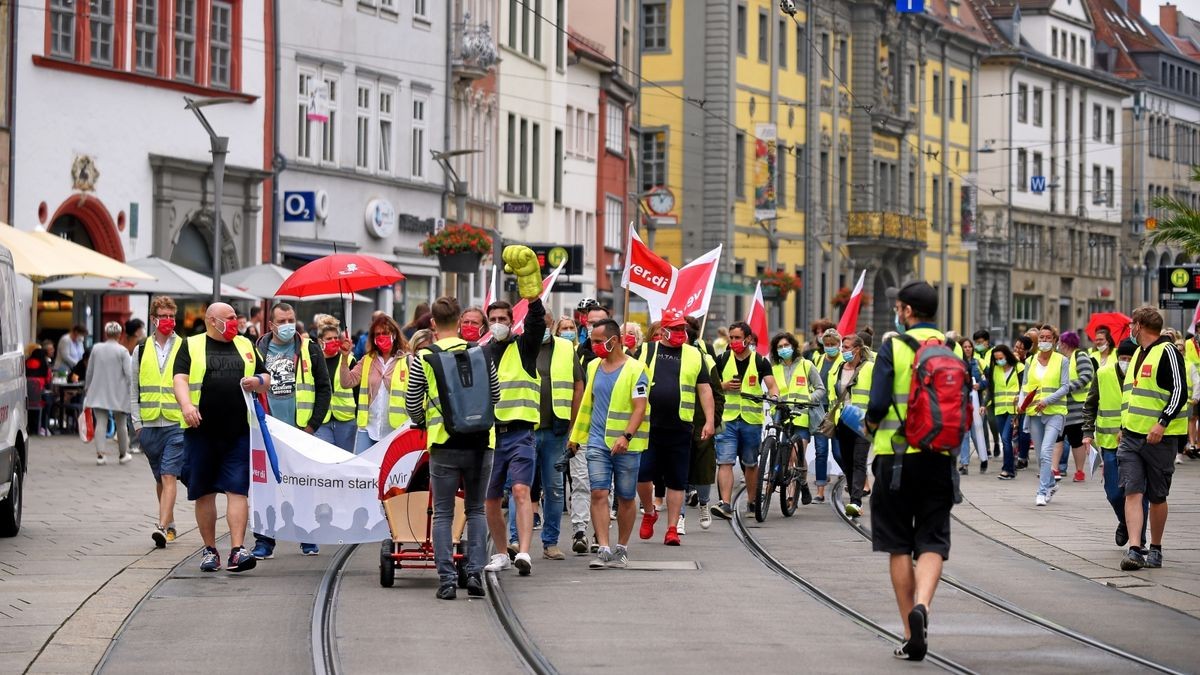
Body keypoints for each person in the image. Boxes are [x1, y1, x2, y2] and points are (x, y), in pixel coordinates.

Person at [863, 281, 963, 662]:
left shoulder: (894, 346)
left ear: (906, 311)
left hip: (895, 458)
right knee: (934, 540)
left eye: (898, 307)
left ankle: (910, 631)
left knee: (899, 544)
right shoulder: (951, 348)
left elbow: (877, 402)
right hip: (939, 457)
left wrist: (868, 427)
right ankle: (924, 604)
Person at [405, 296, 501, 599]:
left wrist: (423, 420)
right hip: (481, 442)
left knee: (443, 513)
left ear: (433, 323)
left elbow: (411, 403)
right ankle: (474, 574)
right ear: (460, 321)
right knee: (475, 510)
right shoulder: (482, 354)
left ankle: (446, 580)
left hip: (444, 443)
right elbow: (495, 395)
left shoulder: (424, 358)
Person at [172, 302, 270, 573]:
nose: (235, 322)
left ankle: (238, 550)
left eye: (236, 318)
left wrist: (258, 382)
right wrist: (187, 406)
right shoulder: (191, 345)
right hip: (201, 430)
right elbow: (179, 379)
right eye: (229, 318)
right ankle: (210, 549)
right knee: (204, 491)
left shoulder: (246, 345)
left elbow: (266, 376)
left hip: (238, 430)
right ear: (212, 321)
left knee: (238, 489)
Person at [480, 267, 548, 576]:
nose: (497, 324)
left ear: (512, 322)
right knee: (490, 499)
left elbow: (536, 322)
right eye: (492, 320)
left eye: (502, 320)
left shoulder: (524, 347)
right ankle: (500, 552)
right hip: (491, 436)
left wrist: (531, 295)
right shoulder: (481, 353)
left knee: (521, 491)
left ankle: (522, 552)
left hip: (521, 434)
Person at [251, 302, 331, 559]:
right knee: (267, 488)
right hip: (268, 431)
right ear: (271, 324)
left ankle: (306, 536)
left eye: (291, 320)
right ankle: (265, 540)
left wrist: (312, 426)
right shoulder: (257, 350)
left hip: (301, 432)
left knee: (304, 486)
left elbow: (323, 388)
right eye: (282, 321)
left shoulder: (310, 349)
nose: (287, 326)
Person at [569, 318, 650, 569]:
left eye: (596, 341)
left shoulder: (637, 370)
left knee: (626, 497)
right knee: (599, 492)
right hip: (596, 442)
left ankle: (621, 548)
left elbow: (640, 407)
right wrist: (575, 438)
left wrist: (626, 436)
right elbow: (587, 405)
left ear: (613, 341)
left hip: (626, 445)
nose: (592, 345)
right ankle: (603, 547)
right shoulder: (593, 366)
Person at [637, 310, 715, 546]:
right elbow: (632, 380)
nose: (681, 333)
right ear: (663, 330)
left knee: (676, 480)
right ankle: (649, 512)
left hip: (680, 426)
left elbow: (704, 389)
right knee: (642, 476)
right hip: (648, 425)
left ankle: (671, 528)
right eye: (676, 329)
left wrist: (710, 421)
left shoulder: (693, 354)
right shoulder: (646, 351)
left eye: (683, 329)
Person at [1118, 307, 1186, 571]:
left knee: (1157, 495)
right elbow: (1134, 395)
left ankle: (1155, 547)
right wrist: (1124, 425)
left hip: (1159, 438)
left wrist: (1162, 422)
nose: (1130, 330)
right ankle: (1135, 548)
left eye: (1132, 325)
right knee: (1132, 490)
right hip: (1132, 436)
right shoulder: (1137, 353)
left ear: (1140, 326)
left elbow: (1179, 391)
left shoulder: (1167, 351)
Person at [523, 311, 584, 557]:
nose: (543, 329)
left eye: (547, 324)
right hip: (526, 428)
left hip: (557, 429)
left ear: (552, 325)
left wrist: (573, 422)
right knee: (523, 488)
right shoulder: (521, 347)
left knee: (555, 488)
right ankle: (517, 540)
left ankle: (550, 542)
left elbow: (579, 384)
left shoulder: (566, 349)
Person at [131, 296, 187, 547]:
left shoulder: (184, 347)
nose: (168, 321)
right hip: (149, 425)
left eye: (171, 317)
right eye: (163, 316)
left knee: (169, 476)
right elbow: (134, 388)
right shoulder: (141, 349)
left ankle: (162, 527)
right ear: (153, 319)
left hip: (175, 423)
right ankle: (171, 521)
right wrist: (137, 425)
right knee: (159, 479)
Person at [1082, 338, 1147, 549]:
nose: (1125, 362)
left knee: (1137, 491)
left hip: (1136, 441)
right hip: (1109, 442)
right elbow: (1090, 404)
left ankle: (1140, 538)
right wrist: (1087, 432)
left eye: (1129, 358)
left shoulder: (1143, 376)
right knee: (1113, 492)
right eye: (1122, 358)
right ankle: (1125, 522)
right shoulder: (1103, 374)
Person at [711, 321, 778, 519]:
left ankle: (752, 500)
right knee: (725, 461)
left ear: (748, 339)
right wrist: (724, 385)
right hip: (727, 419)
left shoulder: (760, 361)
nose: (733, 341)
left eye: (737, 338)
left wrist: (774, 397)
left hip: (751, 420)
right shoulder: (722, 358)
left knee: (750, 463)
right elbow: (711, 386)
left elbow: (772, 385)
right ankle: (725, 503)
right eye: (731, 338)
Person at [340, 314, 409, 454]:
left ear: (394, 335)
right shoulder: (367, 360)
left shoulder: (407, 361)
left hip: (396, 430)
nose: (381, 337)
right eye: (377, 334)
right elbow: (347, 382)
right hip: (368, 429)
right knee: (362, 471)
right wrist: (345, 358)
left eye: (385, 333)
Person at [769, 331, 821, 507]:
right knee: (786, 457)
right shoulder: (774, 369)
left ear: (793, 346)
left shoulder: (807, 365)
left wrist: (809, 399)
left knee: (795, 456)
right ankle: (802, 484)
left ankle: (792, 496)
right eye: (780, 347)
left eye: (786, 346)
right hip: (782, 417)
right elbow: (771, 391)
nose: (784, 349)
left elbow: (821, 389)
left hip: (801, 418)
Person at [1023, 325, 1070, 506]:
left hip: (1055, 412)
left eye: (1048, 338)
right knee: (1041, 455)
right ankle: (1051, 483)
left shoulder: (1061, 361)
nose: (1044, 341)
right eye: (1041, 338)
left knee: (1045, 452)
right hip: (1034, 411)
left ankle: (1041, 492)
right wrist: (1020, 403)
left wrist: (1048, 400)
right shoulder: (1030, 361)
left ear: (1055, 340)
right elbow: (1026, 385)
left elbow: (1065, 386)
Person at [684, 316, 722, 531]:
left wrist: (712, 420)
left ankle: (704, 503)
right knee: (676, 467)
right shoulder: (666, 357)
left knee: (703, 464)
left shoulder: (705, 358)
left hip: (701, 421)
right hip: (676, 421)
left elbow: (717, 393)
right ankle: (677, 516)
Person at [829, 333, 873, 517]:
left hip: (863, 422)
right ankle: (854, 488)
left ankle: (855, 502)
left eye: (846, 347)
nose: (842, 350)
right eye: (842, 347)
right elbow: (833, 394)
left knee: (859, 460)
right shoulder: (838, 368)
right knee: (845, 459)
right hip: (843, 421)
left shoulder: (870, 367)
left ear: (856, 349)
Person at [85, 322, 133, 466]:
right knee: (121, 425)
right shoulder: (123, 351)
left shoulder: (96, 349)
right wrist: (132, 391)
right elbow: (129, 374)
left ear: (106, 334)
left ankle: (101, 455)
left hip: (99, 390)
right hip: (119, 392)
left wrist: (87, 387)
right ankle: (123, 454)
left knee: (100, 423)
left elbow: (90, 370)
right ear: (120, 334)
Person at [313, 317, 359, 453]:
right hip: (322, 419)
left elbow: (357, 391)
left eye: (335, 338)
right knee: (325, 459)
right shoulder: (314, 360)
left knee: (344, 459)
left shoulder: (349, 360)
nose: (333, 341)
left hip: (346, 420)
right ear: (320, 341)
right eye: (329, 339)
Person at [1057, 331, 1094, 483]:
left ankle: (1079, 471)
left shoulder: (1080, 356)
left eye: (1059, 342)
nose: (1058, 346)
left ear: (1065, 344)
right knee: (1057, 438)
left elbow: (1086, 376)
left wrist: (1067, 388)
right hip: (1061, 406)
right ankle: (1055, 468)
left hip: (1077, 407)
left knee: (1076, 440)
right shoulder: (1061, 359)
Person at [811, 328, 841, 502]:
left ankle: (854, 481)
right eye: (827, 344)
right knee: (820, 451)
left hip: (837, 412)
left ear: (839, 344)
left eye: (833, 344)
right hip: (819, 412)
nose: (829, 347)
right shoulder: (817, 359)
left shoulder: (844, 360)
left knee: (838, 453)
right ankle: (820, 490)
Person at [986, 345, 1022, 480]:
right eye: (996, 359)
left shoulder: (1019, 367)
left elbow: (1025, 386)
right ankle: (1011, 469)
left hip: (1013, 409)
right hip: (1000, 409)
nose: (999, 360)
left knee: (1006, 439)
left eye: (1001, 358)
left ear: (1007, 355)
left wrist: (1020, 397)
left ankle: (1007, 469)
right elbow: (990, 390)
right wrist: (984, 405)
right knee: (1004, 439)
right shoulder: (995, 369)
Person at [957, 338, 988, 475]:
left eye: (970, 346)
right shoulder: (956, 363)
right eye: (965, 347)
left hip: (977, 402)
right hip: (962, 403)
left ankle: (983, 458)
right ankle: (964, 463)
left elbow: (991, 379)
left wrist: (980, 385)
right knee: (964, 434)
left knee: (977, 434)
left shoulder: (979, 363)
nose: (968, 349)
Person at [1012, 335, 1034, 470]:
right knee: (1015, 429)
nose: (1017, 349)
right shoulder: (1011, 359)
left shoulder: (1030, 361)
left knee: (1023, 430)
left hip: (1026, 399)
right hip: (1012, 400)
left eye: (1020, 348)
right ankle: (1017, 453)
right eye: (1016, 346)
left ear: (1026, 350)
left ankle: (1022, 457)